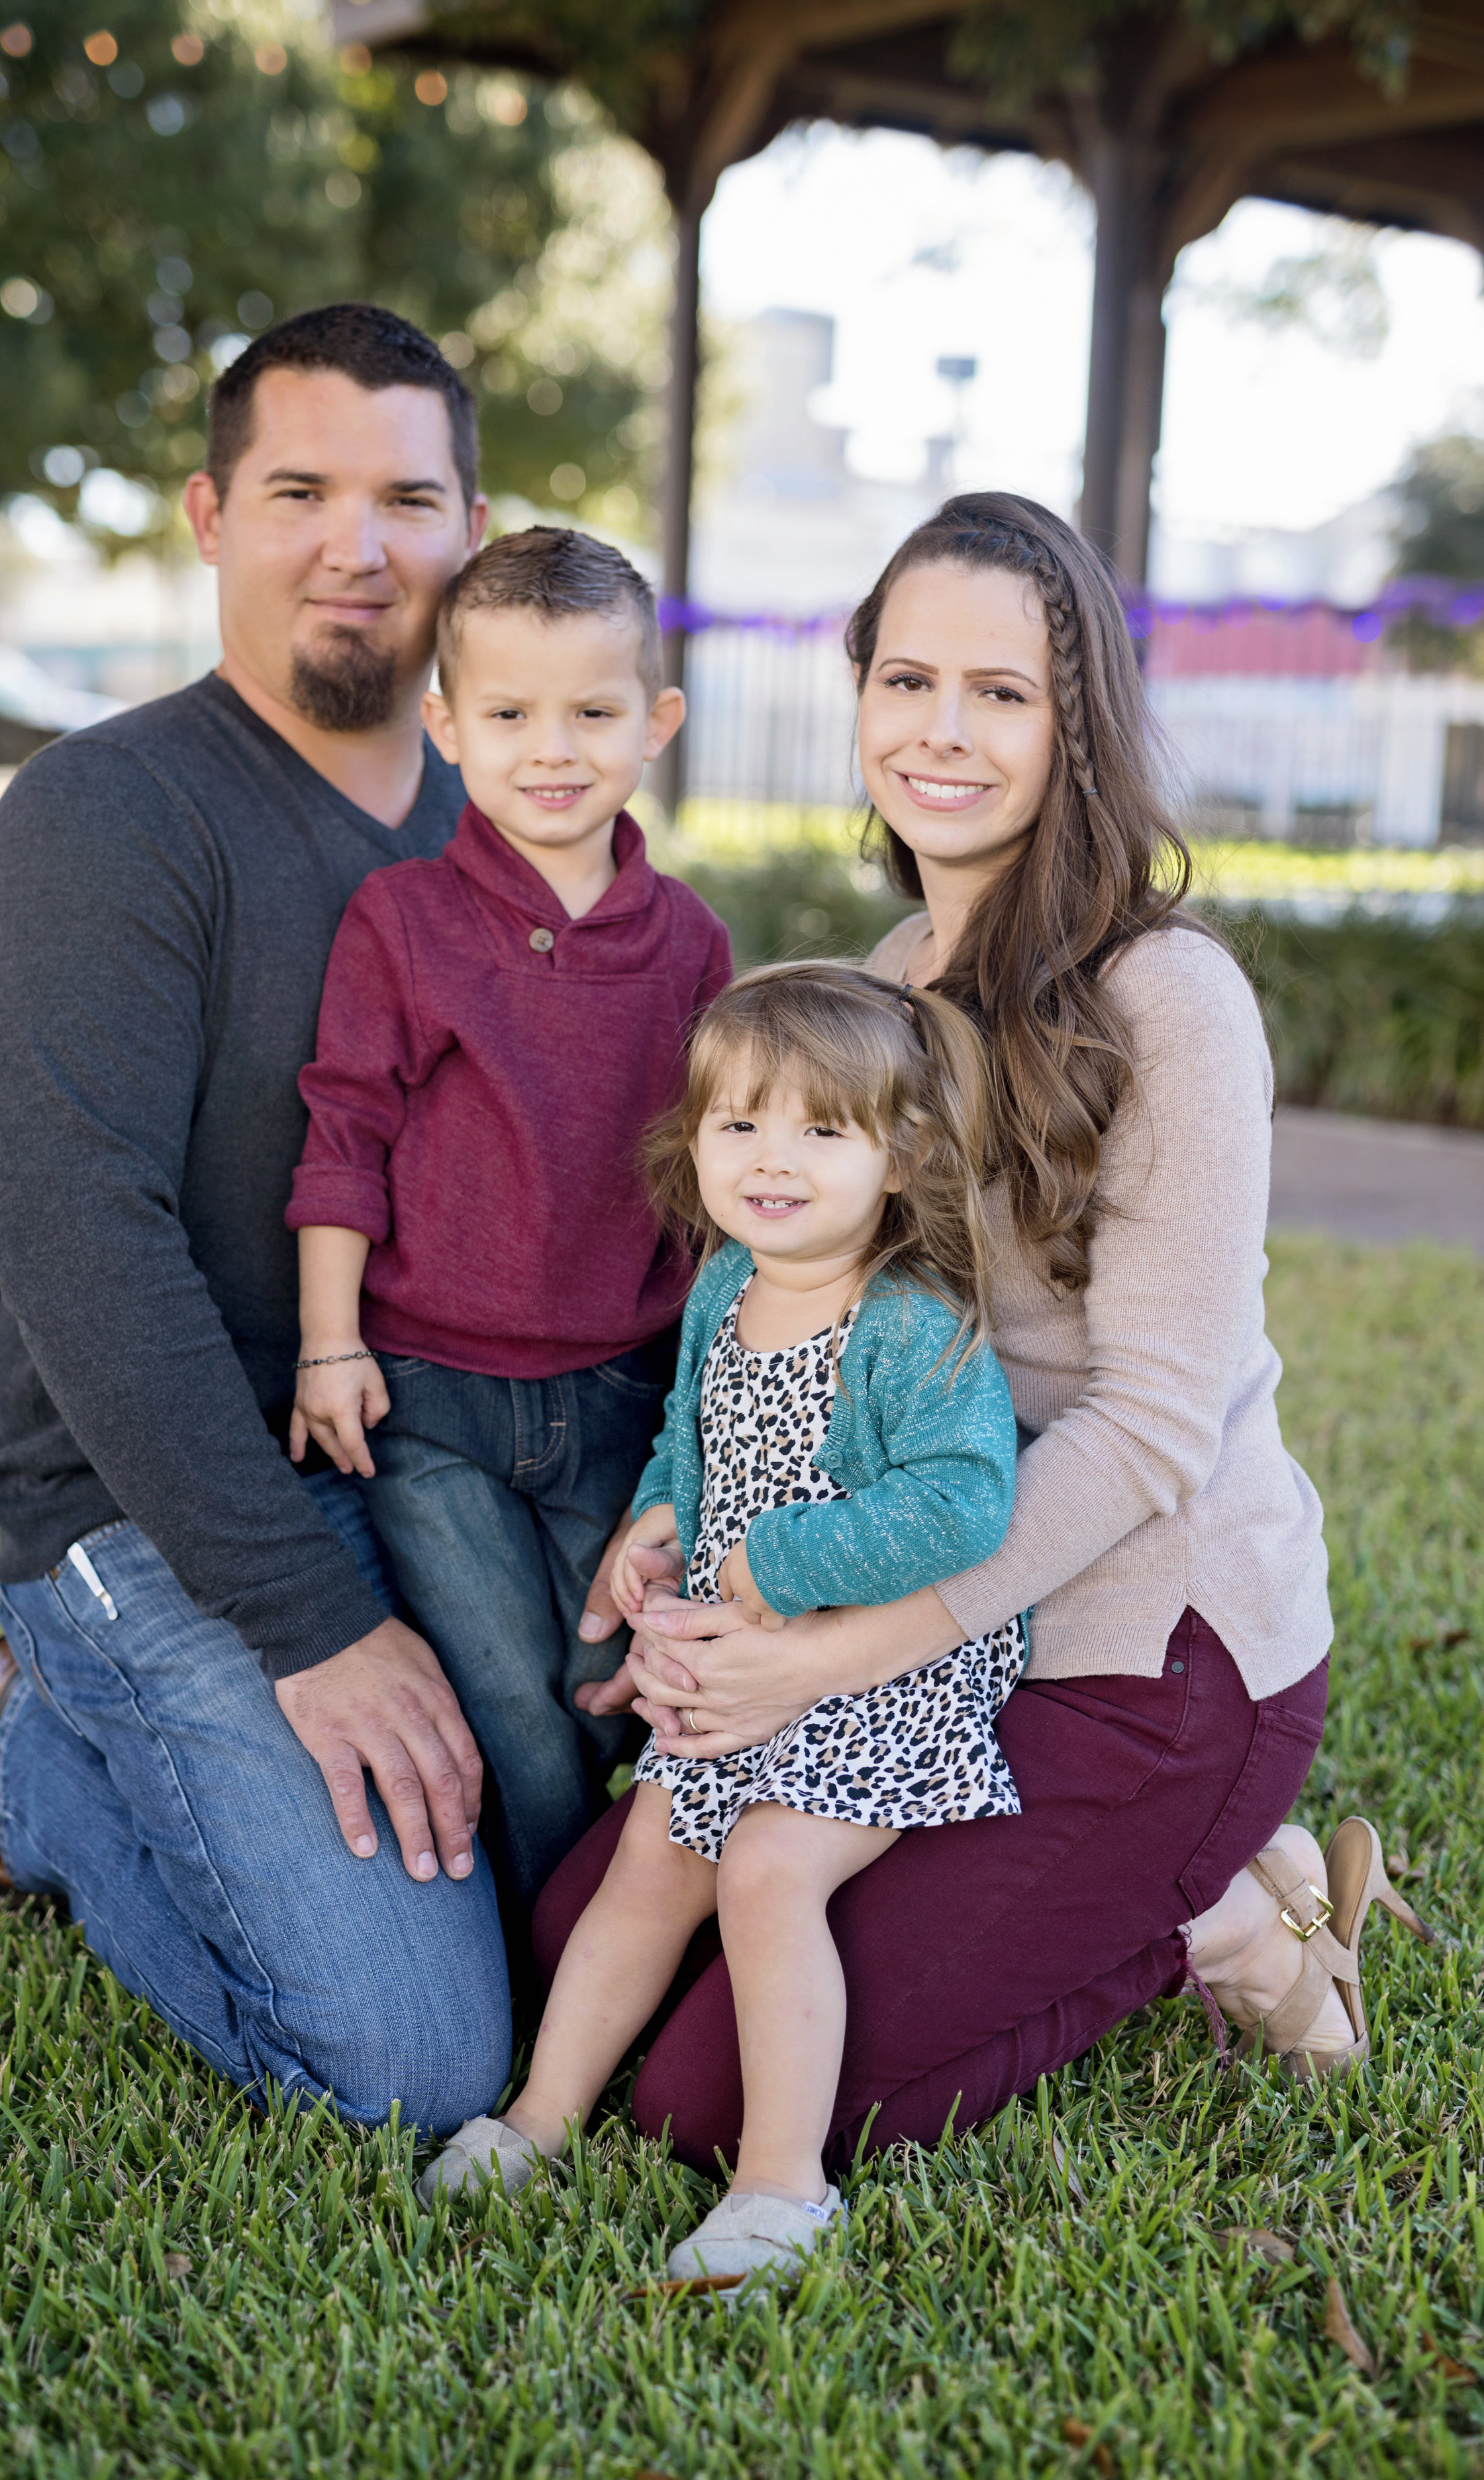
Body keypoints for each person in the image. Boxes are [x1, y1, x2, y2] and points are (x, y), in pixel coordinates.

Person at [537, 491, 1433, 2175]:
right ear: (860, 694)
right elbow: (821, 1322)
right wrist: (687, 1521)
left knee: (698, 2106)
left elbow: (1154, 1423)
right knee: (584, 1945)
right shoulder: (885, 976)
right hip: (933, 1622)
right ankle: (1203, 1890)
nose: (941, 731)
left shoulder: (1166, 997)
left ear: (1076, 725)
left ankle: (1224, 1923)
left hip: (1144, 1649)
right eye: (906, 679)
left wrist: (829, 1649)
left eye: (1002, 693)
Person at [0, 303, 540, 2132]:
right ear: (208, 514)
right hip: (142, 1502)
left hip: (429, 1480)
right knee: (414, 2069)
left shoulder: (505, 834)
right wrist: (308, 1624)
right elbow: (81, 1248)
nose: (356, 545)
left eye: (407, 498)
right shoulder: (106, 818)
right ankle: (42, 1750)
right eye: (300, 489)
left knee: (602, 1887)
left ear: (470, 527)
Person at [415, 962, 1022, 2287]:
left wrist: (778, 1558)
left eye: (820, 1129)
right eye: (737, 1123)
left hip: (879, 1677)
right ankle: (535, 2120)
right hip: (742, 1657)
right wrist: (658, 1521)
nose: (771, 1159)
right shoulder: (723, 1287)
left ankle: (780, 2188)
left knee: (761, 1868)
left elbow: (966, 1505)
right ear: (692, 1143)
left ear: (900, 1154)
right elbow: (693, 1448)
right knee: (648, 1855)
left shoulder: (904, 1324)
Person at [287, 527, 732, 1910]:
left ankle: (613, 1921)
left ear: (652, 724)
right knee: (510, 1707)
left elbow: (726, 1181)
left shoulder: (693, 944)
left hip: (623, 1390)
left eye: (592, 712)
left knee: (607, 1690)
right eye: (508, 714)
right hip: (433, 1399)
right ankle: (556, 1970)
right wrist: (326, 1344)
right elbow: (343, 1134)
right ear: (446, 727)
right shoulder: (402, 920)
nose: (553, 749)